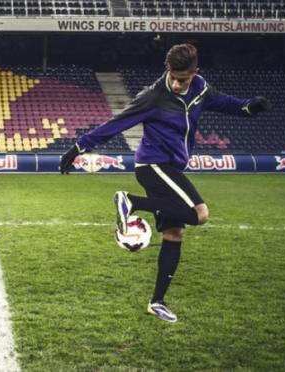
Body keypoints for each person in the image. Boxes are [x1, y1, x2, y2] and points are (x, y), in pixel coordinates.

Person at [59, 43, 269, 322]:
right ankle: (131, 201)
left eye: (183, 79)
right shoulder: (154, 96)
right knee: (200, 214)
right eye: (173, 76)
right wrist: (76, 148)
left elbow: (226, 103)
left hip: (170, 168)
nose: (177, 83)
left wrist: (249, 108)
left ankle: (156, 302)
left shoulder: (201, 88)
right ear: (167, 70)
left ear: (195, 73)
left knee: (174, 234)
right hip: (153, 166)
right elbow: (115, 124)